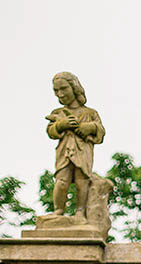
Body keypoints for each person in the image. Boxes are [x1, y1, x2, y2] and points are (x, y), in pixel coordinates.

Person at [46, 71, 105, 219]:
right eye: (56, 91)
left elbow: (101, 131)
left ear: (74, 88)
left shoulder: (90, 113)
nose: (60, 94)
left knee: (82, 181)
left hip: (83, 151)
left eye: (63, 89)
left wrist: (89, 127)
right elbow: (51, 131)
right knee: (61, 181)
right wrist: (61, 125)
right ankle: (58, 210)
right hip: (64, 151)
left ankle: (80, 211)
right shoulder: (57, 113)